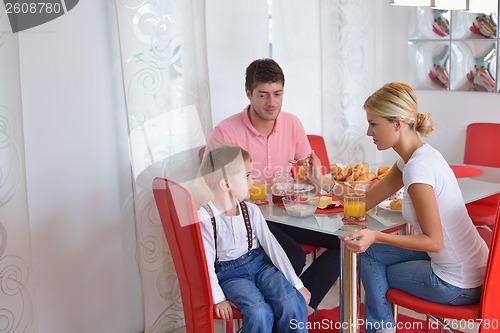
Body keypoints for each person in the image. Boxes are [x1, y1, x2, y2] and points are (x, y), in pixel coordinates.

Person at [308, 82, 489, 333]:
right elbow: (365, 201)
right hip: (475, 267)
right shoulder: (416, 158)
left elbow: (433, 242)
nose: (369, 132)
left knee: (373, 271)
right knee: (370, 257)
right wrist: (322, 182)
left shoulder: (418, 170)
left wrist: (375, 236)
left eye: (374, 123)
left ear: (397, 124)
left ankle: (381, 329)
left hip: (458, 283)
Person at [205, 58, 340, 309]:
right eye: (263, 95)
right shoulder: (225, 133)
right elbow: (210, 187)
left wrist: (312, 171)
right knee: (293, 256)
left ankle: (299, 308)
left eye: (278, 94)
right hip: (249, 218)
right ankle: (287, 311)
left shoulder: (292, 123)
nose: (272, 103)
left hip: (286, 212)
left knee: (345, 243)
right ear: (248, 93)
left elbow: (306, 163)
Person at [197, 145, 309, 333]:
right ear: (226, 185)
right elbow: (206, 263)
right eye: (247, 176)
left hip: (260, 265)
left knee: (291, 302)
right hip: (230, 275)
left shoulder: (251, 211)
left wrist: (298, 284)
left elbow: (273, 249)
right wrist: (218, 298)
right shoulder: (205, 217)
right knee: (259, 312)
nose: (253, 181)